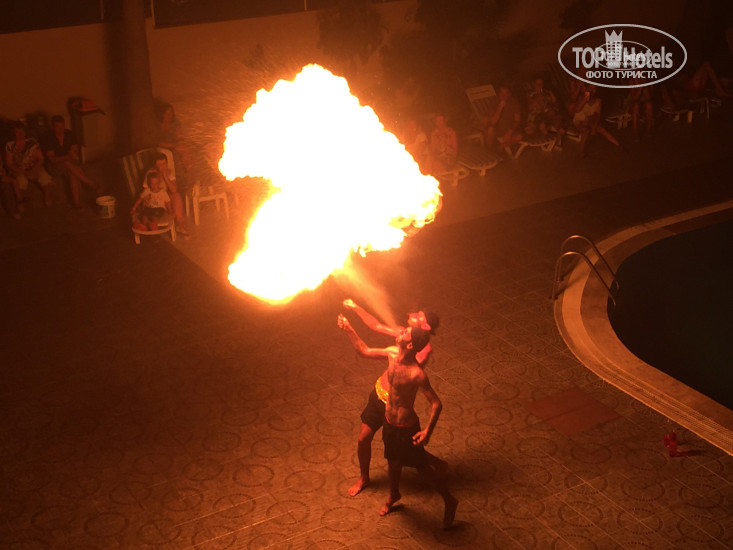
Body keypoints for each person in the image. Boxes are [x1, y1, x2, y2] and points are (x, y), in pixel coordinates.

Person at [337, 316, 457, 528]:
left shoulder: (417, 374)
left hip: (406, 428)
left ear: (410, 345)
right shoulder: (392, 353)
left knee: (423, 470)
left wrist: (427, 432)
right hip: (389, 423)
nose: (400, 332)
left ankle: (449, 500)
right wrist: (348, 328)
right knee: (393, 463)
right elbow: (364, 350)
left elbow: (436, 404)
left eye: (405, 333)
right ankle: (394, 494)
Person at [341, 299, 440, 498]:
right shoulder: (405, 336)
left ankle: (436, 476)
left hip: (396, 409)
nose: (411, 315)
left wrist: (394, 351)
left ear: (426, 327)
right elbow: (376, 326)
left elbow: (409, 366)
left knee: (407, 453)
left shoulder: (422, 350)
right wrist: (355, 307)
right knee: (363, 438)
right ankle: (364, 478)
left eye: (418, 316)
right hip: (379, 394)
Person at [42, 115, 102, 208]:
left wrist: (72, 155)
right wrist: (67, 156)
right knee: (67, 163)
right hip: (54, 166)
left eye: (62, 126)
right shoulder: (48, 137)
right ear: (53, 127)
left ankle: (76, 203)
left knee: (72, 173)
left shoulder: (69, 134)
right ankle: (90, 183)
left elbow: (74, 150)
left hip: (69, 163)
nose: (61, 129)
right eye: (58, 127)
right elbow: (52, 159)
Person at [4, 121, 53, 207]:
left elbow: (40, 159)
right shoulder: (10, 145)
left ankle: (47, 197)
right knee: (21, 181)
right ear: (13, 133)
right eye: (17, 132)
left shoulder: (32, 142)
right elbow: (9, 163)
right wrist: (21, 171)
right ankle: (19, 202)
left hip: (33, 166)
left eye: (22, 131)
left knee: (44, 177)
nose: (20, 134)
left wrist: (34, 169)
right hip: (18, 169)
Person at [570, 84, 622, 158]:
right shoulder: (582, 99)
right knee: (586, 131)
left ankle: (618, 145)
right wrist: (584, 99)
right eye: (590, 88)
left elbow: (597, 115)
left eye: (594, 89)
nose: (592, 90)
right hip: (579, 120)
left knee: (600, 129)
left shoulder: (598, 101)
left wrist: (594, 125)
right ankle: (580, 151)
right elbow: (576, 110)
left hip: (589, 120)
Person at [145, 152, 189, 235]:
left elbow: (174, 190)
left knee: (176, 195)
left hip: (166, 199)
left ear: (167, 163)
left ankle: (180, 223)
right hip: (155, 200)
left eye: (164, 164)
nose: (163, 167)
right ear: (155, 166)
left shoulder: (169, 172)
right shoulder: (151, 174)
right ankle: (152, 225)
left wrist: (165, 176)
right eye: (160, 165)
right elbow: (146, 191)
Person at [525, 77, 564, 150]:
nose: (540, 86)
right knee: (540, 124)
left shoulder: (545, 92)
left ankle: (558, 137)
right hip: (535, 116)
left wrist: (551, 93)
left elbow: (554, 102)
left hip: (545, 114)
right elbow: (530, 107)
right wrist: (537, 98)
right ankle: (549, 140)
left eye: (541, 84)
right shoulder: (530, 94)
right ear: (533, 84)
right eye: (538, 84)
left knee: (555, 115)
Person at [483, 86, 522, 152]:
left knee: (519, 136)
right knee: (490, 130)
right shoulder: (494, 101)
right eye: (501, 93)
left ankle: (498, 149)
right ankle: (489, 151)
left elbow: (517, 120)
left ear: (509, 94)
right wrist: (500, 107)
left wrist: (509, 132)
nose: (503, 96)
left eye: (506, 93)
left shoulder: (514, 102)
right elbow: (493, 122)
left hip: (508, 128)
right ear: (499, 94)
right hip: (496, 128)